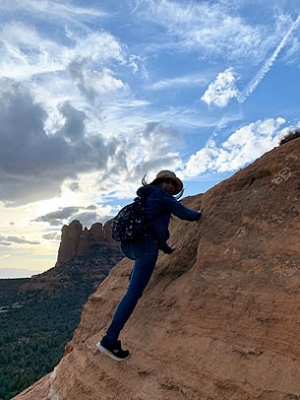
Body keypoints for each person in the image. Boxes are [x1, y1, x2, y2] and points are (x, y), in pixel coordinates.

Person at [96, 170, 202, 361]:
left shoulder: (148, 196)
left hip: (128, 246)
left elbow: (153, 225)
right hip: (145, 246)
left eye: (173, 185)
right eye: (167, 182)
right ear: (159, 182)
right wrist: (201, 214)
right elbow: (184, 213)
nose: (170, 186)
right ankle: (109, 340)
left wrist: (166, 249)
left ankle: (135, 276)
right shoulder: (161, 195)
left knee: (138, 271)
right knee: (134, 292)